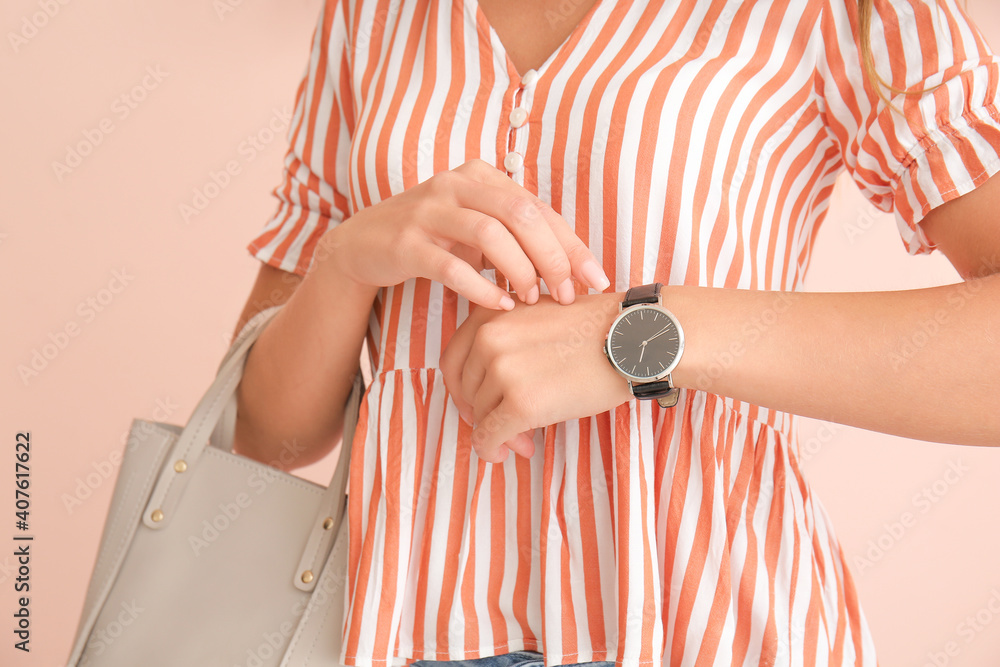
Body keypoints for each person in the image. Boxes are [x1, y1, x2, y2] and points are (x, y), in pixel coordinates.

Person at [230, 0, 1000, 664]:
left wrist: (646, 333)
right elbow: (268, 435)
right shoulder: (372, 13)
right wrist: (347, 261)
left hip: (709, 631)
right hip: (400, 638)